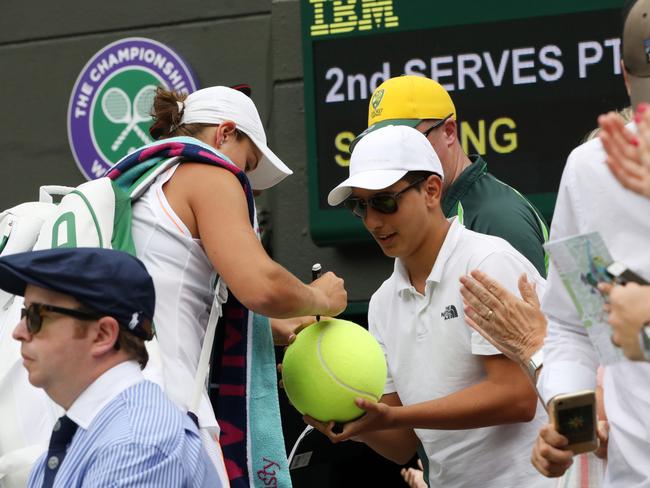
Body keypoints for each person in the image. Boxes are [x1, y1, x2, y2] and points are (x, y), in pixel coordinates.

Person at [308, 124, 547, 487]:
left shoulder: (486, 262)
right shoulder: (382, 303)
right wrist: (351, 423)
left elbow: (517, 398)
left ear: (432, 190)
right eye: (361, 205)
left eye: (386, 201)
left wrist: (393, 416)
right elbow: (403, 443)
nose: (372, 221)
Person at [131, 85, 347, 485]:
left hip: (121, 410)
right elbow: (261, 286)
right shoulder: (208, 170)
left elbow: (175, 293)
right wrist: (321, 298)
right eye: (247, 165)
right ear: (225, 133)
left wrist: (275, 328)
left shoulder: (140, 181)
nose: (244, 180)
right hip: (167, 414)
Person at [4, 247, 219, 487]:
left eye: (36, 316)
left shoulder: (135, 447)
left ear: (103, 335)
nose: (18, 332)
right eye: (24, 313)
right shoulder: (99, 432)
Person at [350, 75, 549, 276]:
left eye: (410, 140)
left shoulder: (498, 218)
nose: (395, 158)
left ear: (449, 132)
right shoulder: (419, 221)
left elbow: (531, 307)